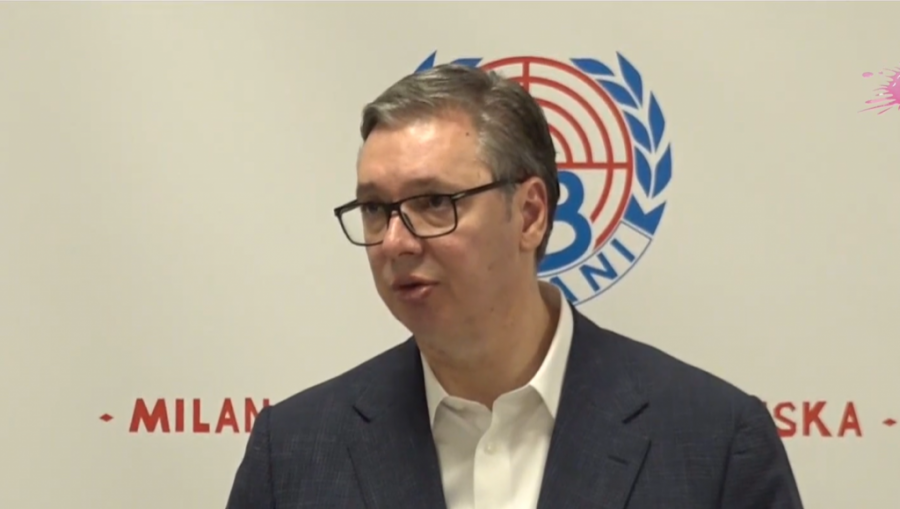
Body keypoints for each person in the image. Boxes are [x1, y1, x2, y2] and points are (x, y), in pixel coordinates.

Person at [225, 63, 804, 509]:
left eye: (434, 203)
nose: (395, 242)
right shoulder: (294, 453)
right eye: (376, 209)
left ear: (530, 214)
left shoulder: (715, 443)